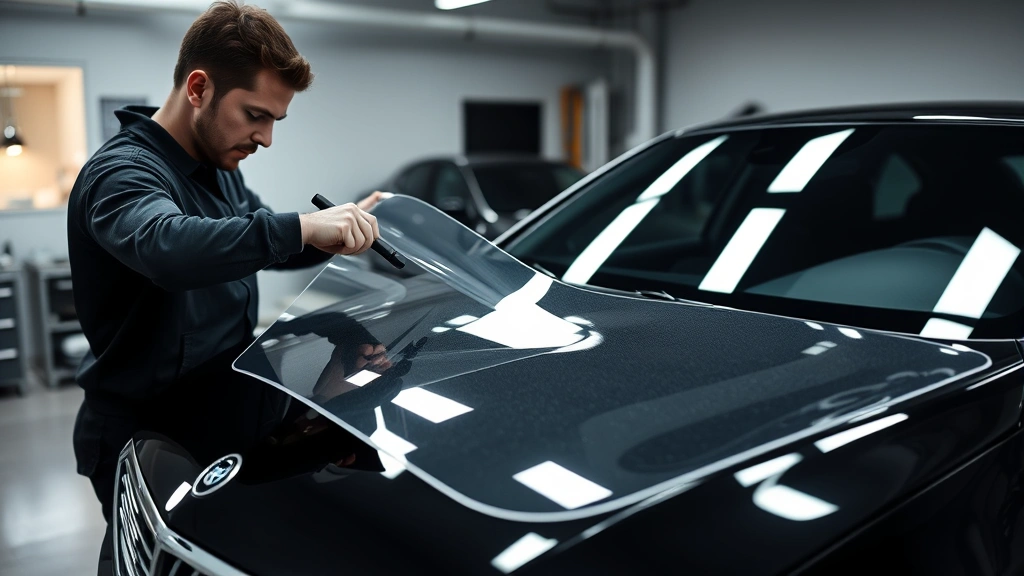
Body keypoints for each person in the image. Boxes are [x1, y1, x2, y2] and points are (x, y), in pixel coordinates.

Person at [64, 2, 381, 572]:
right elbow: (168, 248)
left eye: (275, 122)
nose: (264, 138)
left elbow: (254, 240)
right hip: (145, 435)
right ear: (199, 87)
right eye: (255, 115)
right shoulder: (122, 174)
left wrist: (336, 230)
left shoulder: (220, 170)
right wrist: (300, 227)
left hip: (222, 409)